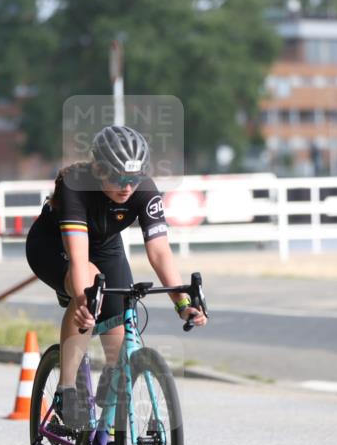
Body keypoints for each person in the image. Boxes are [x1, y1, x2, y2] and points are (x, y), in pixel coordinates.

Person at [25, 125, 207, 429]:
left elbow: (160, 252)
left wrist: (182, 303)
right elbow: (80, 259)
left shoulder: (144, 190)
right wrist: (84, 300)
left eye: (133, 179)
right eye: (119, 178)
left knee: (121, 320)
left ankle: (110, 432)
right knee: (91, 291)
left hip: (106, 245)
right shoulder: (76, 186)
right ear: (98, 169)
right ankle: (66, 391)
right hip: (53, 246)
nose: (127, 187)